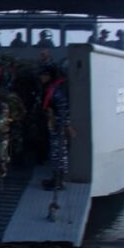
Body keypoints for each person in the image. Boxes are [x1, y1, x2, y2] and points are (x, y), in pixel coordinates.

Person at [39, 62, 74, 191]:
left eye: (44, 75)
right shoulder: (51, 88)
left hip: (58, 125)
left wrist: (63, 124)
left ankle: (60, 180)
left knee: (59, 153)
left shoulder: (57, 91)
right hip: (54, 124)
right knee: (55, 153)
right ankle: (55, 178)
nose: (41, 77)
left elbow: (63, 109)